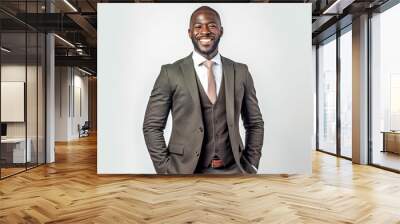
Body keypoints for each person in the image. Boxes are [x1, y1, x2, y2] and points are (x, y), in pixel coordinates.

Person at [143, 6, 264, 174]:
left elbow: (255, 123)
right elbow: (152, 126)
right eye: (198, 26)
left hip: (234, 170)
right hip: (184, 171)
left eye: (212, 25)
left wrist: (252, 164)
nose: (205, 31)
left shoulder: (241, 71)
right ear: (190, 32)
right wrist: (165, 170)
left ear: (221, 31)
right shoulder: (170, 73)